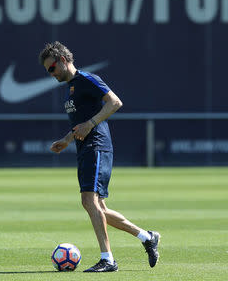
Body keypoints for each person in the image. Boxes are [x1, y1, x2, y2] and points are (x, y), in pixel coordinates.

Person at [39, 41, 160, 273]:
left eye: (51, 68)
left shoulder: (86, 79)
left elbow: (115, 102)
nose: (50, 74)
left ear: (63, 60)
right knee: (100, 209)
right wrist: (66, 140)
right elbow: (81, 124)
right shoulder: (72, 86)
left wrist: (91, 124)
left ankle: (108, 259)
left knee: (88, 201)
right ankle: (147, 237)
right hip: (86, 148)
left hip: (96, 146)